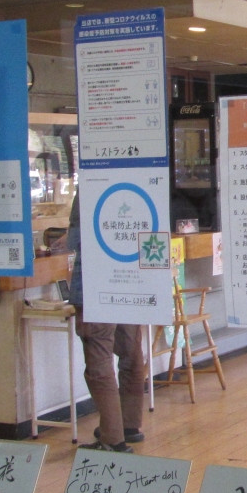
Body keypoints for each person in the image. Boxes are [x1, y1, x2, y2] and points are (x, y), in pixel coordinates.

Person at [68, 193, 145, 452]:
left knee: (98, 358)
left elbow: (75, 240)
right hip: (131, 277)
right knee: (131, 351)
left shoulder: (91, 185)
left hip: (96, 281)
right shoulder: (136, 183)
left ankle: (113, 439)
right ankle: (129, 425)